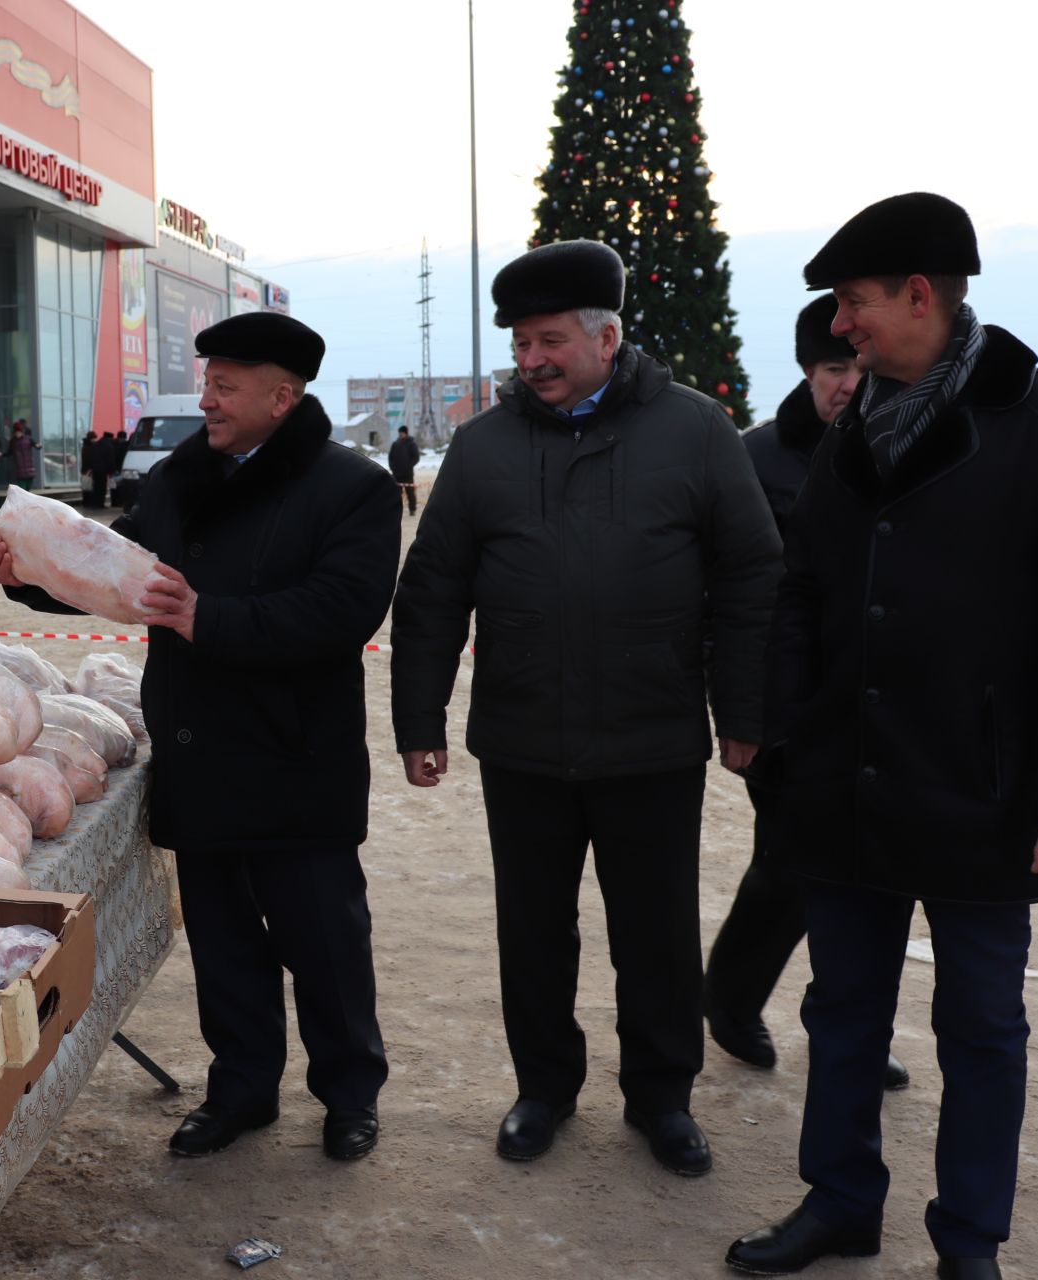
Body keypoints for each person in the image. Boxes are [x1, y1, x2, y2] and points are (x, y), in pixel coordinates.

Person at [725, 194, 1038, 1280]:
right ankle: (840, 1197)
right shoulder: (853, 428)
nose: (843, 327)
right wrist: (777, 739)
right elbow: (803, 594)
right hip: (845, 783)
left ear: (922, 295)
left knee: (982, 1030)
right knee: (843, 1005)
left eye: (855, 303)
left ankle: (970, 1240)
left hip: (984, 789)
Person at [0, 312, 399, 1162]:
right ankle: (240, 1091)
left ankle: (349, 1094)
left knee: (325, 946)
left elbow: (343, 610)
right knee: (226, 947)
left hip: (294, 757)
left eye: (226, 386)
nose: (207, 399)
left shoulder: (351, 487)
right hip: (201, 754)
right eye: (206, 381)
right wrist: (28, 577)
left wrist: (213, 619)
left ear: (284, 396)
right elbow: (115, 573)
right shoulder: (178, 479)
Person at [391, 239, 781, 1174]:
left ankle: (662, 1098)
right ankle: (544, 1089)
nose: (531, 361)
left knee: (656, 935)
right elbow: (434, 588)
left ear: (608, 337)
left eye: (550, 340)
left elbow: (751, 575)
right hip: (523, 741)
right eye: (522, 343)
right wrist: (419, 722)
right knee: (532, 933)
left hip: (652, 740)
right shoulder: (484, 449)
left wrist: (744, 711)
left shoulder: (695, 432)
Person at [702, 298, 910, 1094]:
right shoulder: (758, 460)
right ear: (806, 371)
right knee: (792, 867)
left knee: (878, 877)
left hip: (884, 705)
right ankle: (732, 995)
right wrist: (743, 714)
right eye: (831, 370)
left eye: (857, 369)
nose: (846, 386)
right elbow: (727, 596)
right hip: (789, 706)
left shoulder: (909, 446)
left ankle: (856, 1030)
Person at [387, 424, 420, 514]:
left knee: (410, 492)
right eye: (400, 433)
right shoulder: (395, 444)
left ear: (406, 433)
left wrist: (408, 466)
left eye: (402, 433)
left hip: (407, 474)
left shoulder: (411, 444)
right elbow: (390, 457)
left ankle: (412, 509)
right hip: (396, 474)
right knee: (396, 494)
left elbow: (416, 457)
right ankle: (397, 510)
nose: (400, 434)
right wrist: (392, 467)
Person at [9, 418, 37, 488]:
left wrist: (38, 446)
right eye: (16, 432)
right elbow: (9, 452)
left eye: (19, 432)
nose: (17, 434)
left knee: (28, 486)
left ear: (22, 432)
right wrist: (1, 454)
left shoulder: (28, 439)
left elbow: (35, 444)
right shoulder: (13, 441)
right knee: (22, 488)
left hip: (29, 467)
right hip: (20, 469)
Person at [79, 430, 99, 506]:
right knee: (88, 486)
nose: (95, 440)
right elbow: (89, 459)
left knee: (87, 486)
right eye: (94, 438)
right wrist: (90, 469)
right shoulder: (88, 447)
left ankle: (87, 502)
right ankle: (88, 502)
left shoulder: (86, 446)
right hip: (88, 470)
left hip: (85, 470)